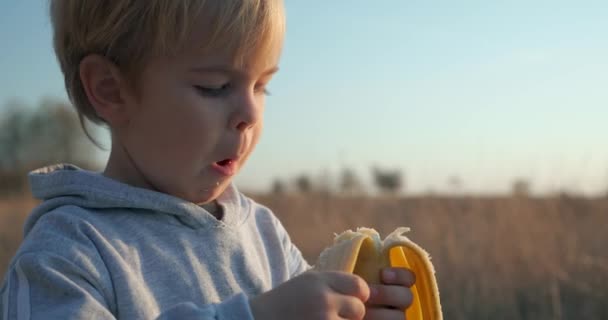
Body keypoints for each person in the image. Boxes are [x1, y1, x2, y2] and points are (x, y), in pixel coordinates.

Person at [0, 1, 415, 319]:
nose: (250, 115)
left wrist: (361, 308)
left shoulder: (265, 235)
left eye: (261, 86)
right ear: (111, 90)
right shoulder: (67, 254)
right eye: (215, 87)